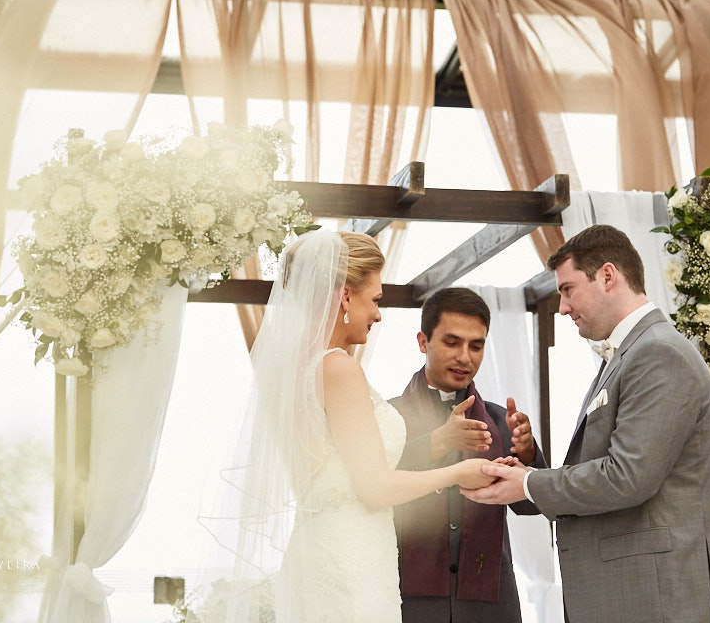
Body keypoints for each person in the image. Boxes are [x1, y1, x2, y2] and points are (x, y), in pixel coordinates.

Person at [205, 230, 507, 623]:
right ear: (346, 296)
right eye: (376, 299)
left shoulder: (293, 370)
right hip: (351, 557)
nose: (379, 313)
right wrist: (459, 472)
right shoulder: (339, 368)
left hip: (320, 547)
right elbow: (375, 488)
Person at [461, 225, 710, 623]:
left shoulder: (658, 353)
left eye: (568, 290)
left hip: (655, 601)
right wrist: (527, 472)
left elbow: (627, 477)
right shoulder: (627, 355)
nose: (562, 308)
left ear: (607, 276)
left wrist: (530, 484)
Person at [389, 287, 546, 623]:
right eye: (452, 342)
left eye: (476, 346)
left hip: (489, 605)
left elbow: (532, 507)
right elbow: (371, 485)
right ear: (423, 342)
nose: (465, 356)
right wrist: (436, 443)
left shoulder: (499, 419)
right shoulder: (387, 418)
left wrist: (530, 454)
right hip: (408, 603)